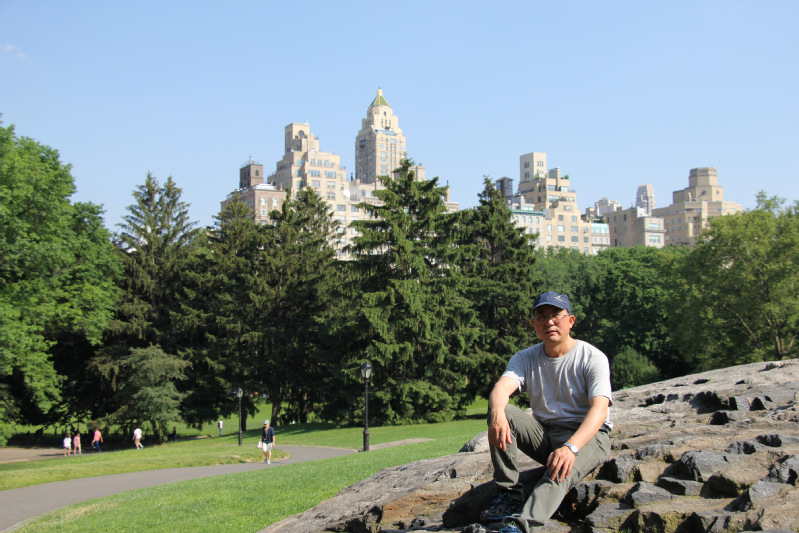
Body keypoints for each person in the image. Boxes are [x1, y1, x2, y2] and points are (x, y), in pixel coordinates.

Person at [480, 291, 612, 533]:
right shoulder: (525, 357)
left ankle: (521, 526)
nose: (549, 322)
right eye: (542, 317)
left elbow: (600, 410)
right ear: (534, 324)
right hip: (546, 435)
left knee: (559, 470)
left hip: (587, 437)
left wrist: (571, 448)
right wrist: (497, 412)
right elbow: (501, 388)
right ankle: (508, 494)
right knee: (502, 410)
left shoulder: (592, 357)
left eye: (556, 315)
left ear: (570, 321)